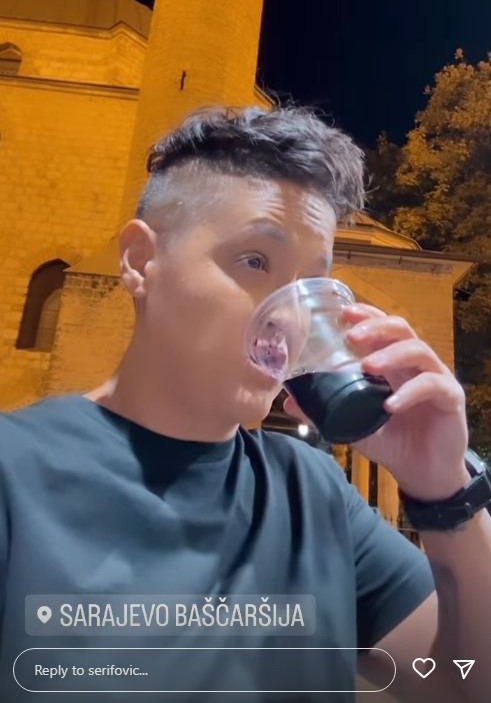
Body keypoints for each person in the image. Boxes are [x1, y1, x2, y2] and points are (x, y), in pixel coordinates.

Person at [0, 104, 490, 703]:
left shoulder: (314, 493)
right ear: (140, 261)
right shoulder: (13, 473)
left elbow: (464, 683)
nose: (291, 317)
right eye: (255, 261)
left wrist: (446, 493)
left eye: (310, 283)